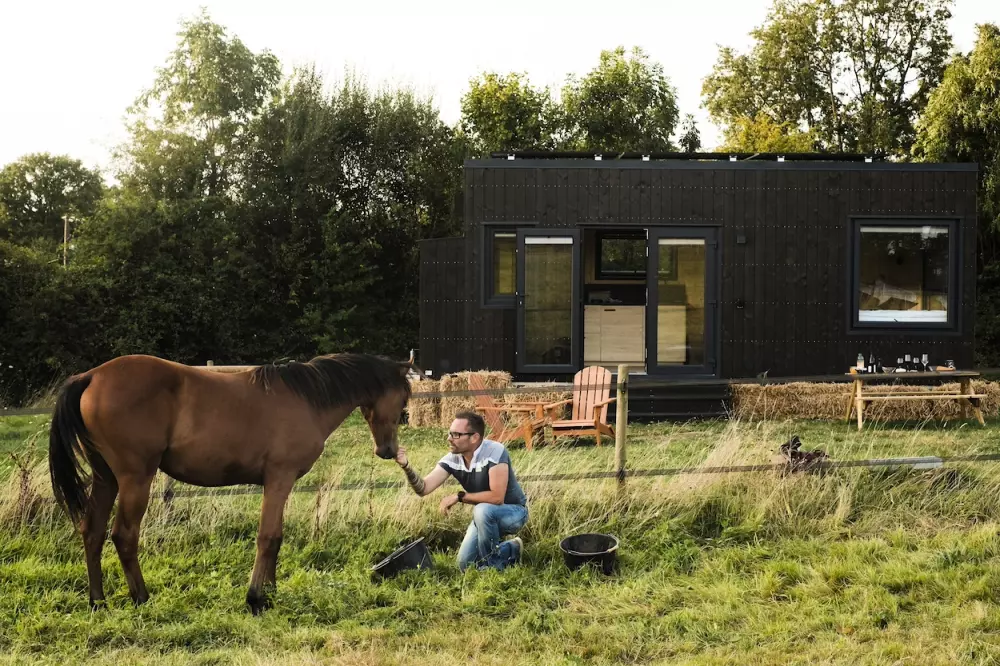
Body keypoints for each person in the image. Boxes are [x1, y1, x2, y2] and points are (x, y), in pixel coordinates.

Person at [395, 410, 528, 571]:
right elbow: (423, 488)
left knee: (482, 509)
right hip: (483, 518)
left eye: (456, 435)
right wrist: (405, 465)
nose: (449, 438)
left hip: (514, 513)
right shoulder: (452, 459)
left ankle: (493, 568)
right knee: (465, 565)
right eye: (450, 433)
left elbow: (497, 497)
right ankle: (511, 548)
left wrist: (459, 497)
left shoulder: (495, 451)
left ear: (474, 437)